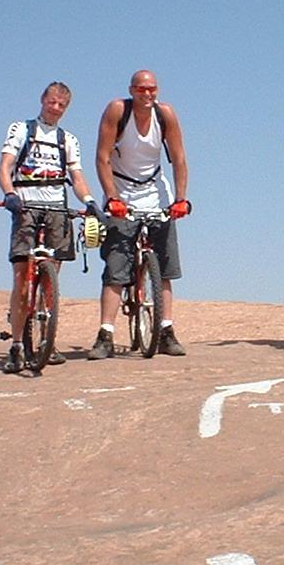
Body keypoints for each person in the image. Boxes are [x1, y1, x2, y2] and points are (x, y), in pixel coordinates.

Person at [88, 69, 191, 359]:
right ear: (132, 90)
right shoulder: (118, 111)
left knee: (166, 267)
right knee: (116, 268)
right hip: (123, 193)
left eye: (152, 89)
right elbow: (102, 157)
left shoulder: (165, 115)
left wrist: (181, 199)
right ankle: (105, 334)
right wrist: (111, 197)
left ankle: (166, 331)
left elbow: (180, 159)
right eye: (142, 89)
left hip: (156, 192)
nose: (148, 95)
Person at [0, 81, 99, 373]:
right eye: (52, 102)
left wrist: (90, 201)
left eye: (61, 105)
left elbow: (77, 177)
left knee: (52, 275)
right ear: (42, 100)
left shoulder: (68, 139)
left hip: (57, 208)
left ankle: (47, 337)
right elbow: (4, 167)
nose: (55, 108)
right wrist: (10, 194)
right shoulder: (21, 129)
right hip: (26, 206)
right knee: (21, 279)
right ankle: (17, 345)